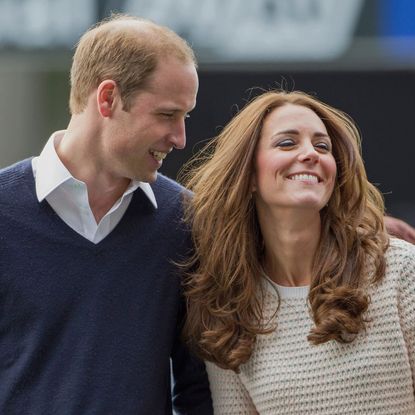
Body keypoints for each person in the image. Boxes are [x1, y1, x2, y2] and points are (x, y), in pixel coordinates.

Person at [0, 14, 212, 414]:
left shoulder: (187, 222)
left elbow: (201, 389)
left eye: (186, 117)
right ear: (108, 98)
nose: (181, 138)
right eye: (168, 115)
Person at [181, 90, 415, 414]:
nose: (310, 154)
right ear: (248, 174)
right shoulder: (229, 306)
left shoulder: (400, 271)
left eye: (323, 146)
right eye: (287, 143)